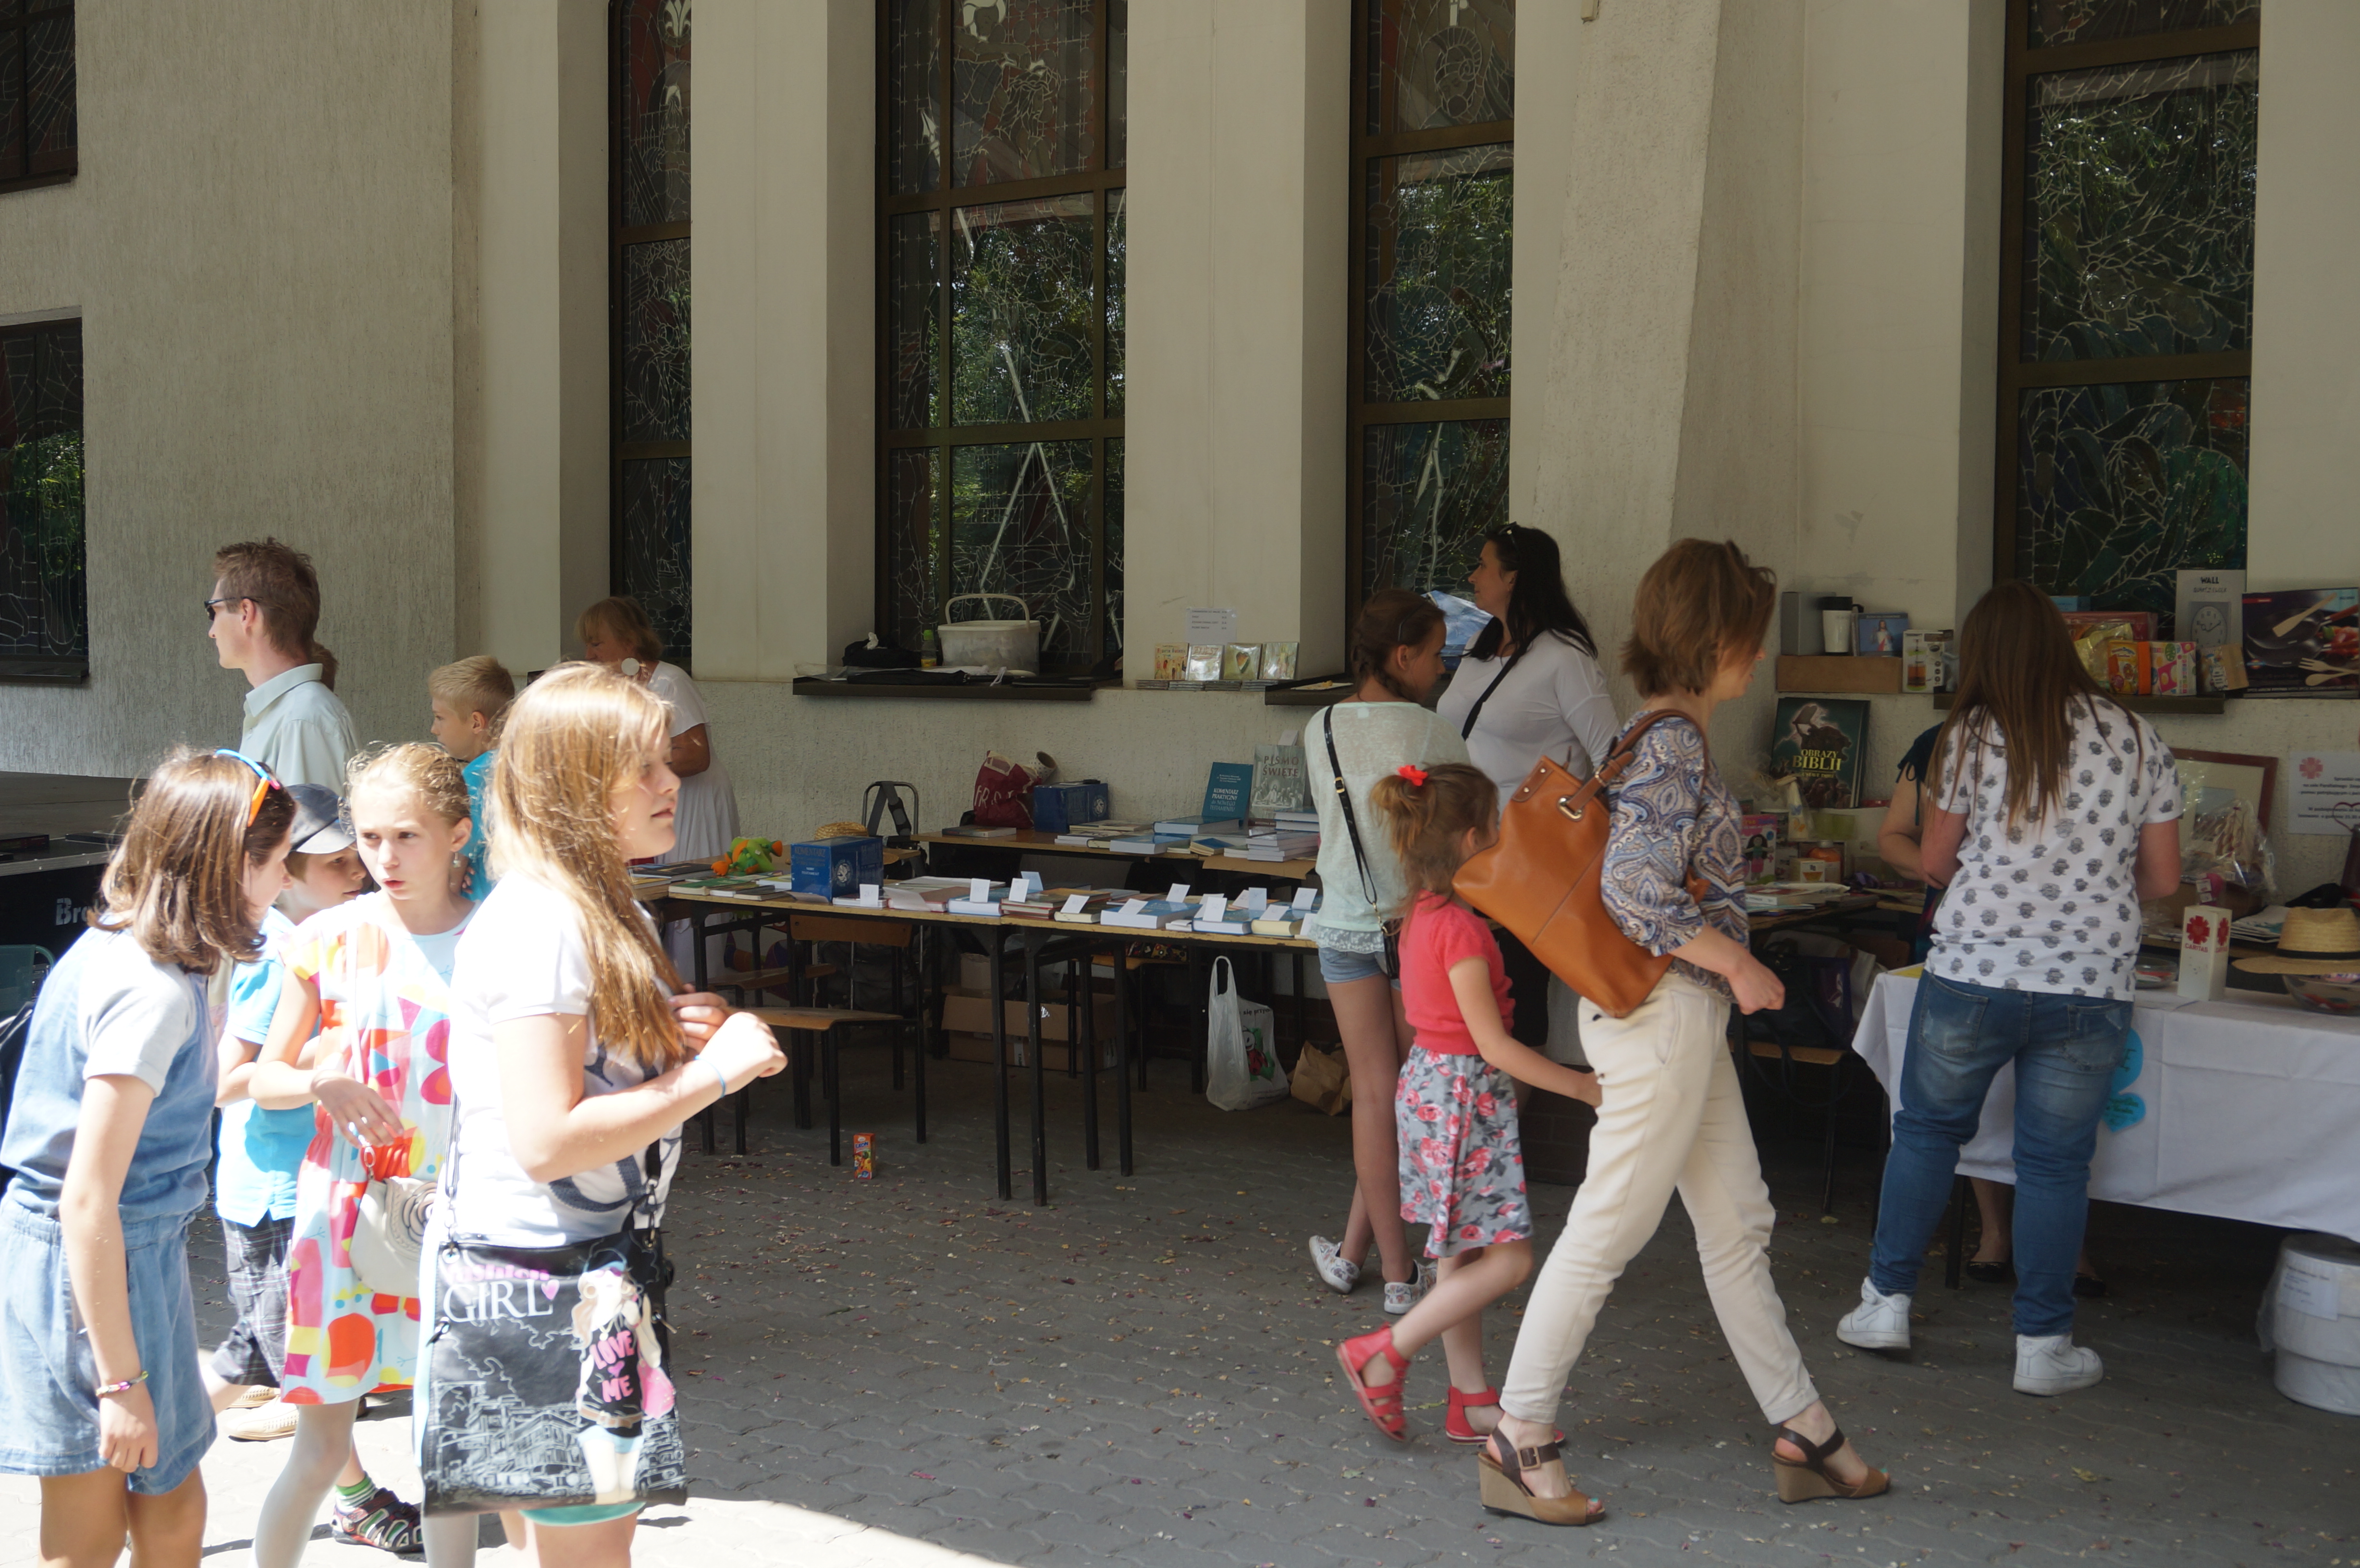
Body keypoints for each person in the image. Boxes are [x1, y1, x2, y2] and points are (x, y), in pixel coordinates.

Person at [1483, 540, 1886, 1526]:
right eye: (1749, 634)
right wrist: (1737, 963)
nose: (1759, 654)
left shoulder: (1646, 733)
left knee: (1735, 1221)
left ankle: (1804, 1427)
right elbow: (1632, 887)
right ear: (1713, 641)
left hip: (1669, 1020)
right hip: (1664, 1017)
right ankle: (1516, 1434)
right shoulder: (1671, 744)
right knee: (1608, 1228)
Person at [430, 662, 783, 1565]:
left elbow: (587, 1064)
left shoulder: (598, 904)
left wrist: (671, 1035)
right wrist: (714, 1077)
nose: (673, 783)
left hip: (580, 1270)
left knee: (563, 1543)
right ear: (579, 788)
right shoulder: (545, 921)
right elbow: (546, 1140)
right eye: (645, 769)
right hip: (542, 1281)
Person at [1838, 581, 2179, 1396]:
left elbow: (1932, 860)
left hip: (1974, 972)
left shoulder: (1968, 735)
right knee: (2056, 1163)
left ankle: (1885, 1305)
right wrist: (2091, 892)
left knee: (1927, 1134)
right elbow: (2163, 878)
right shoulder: (2138, 737)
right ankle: (2042, 1345)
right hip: (2090, 981)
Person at [0, 749, 297, 1568]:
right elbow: (87, 1198)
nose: (286, 881)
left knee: (173, 1505)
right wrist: (120, 1383)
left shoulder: (130, 948)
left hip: (124, 1256)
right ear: (229, 865)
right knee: (92, 1527)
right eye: (278, 861)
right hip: (93, 1267)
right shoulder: (151, 990)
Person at [246, 745, 481, 1563]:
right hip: (343, 1215)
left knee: (451, 1456)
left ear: (458, 833)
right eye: (371, 837)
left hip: (464, 1212)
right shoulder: (328, 937)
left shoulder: (498, 941)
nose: (385, 857)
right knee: (318, 1451)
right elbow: (261, 1076)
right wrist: (320, 1080)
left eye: (407, 835)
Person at [1333, 761, 1602, 1457]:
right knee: (1510, 1262)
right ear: (1473, 839)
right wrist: (1582, 1088)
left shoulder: (1421, 914)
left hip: (1435, 1090)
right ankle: (1384, 1351)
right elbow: (1494, 1044)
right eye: (1498, 828)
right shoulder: (1461, 930)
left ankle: (1471, 1401)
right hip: (1464, 1097)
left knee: (1459, 1252)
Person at [1875, 726, 2107, 1298]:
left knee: (2037, 1125)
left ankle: (2057, 1248)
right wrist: (1949, 874)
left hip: (2048, 945)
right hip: (1963, 931)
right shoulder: (1939, 744)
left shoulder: (2091, 735)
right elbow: (1894, 837)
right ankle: (1996, 1231)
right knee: (1969, 1104)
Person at [1302, 589, 1469, 1313]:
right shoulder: (1434, 733)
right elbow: (1468, 838)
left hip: (1342, 928)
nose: (1442, 668)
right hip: (1418, 934)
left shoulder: (1318, 727)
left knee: (1375, 1095)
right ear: (1402, 657)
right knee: (1409, 1097)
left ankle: (1372, 1263)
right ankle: (1410, 1271)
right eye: (1435, 654)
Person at [201, 784, 359, 1448]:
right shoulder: (278, 958)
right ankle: (167, 1433)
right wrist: (329, 1052)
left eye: (357, 857)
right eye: (336, 862)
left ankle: (158, 1434)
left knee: (268, 1338)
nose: (358, 872)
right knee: (272, 1342)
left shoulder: (309, 940)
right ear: (286, 872)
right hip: (272, 1186)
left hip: (295, 1177)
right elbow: (225, 1082)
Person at [1436, 522, 1619, 1063]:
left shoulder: (1564, 657)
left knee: (1515, 998)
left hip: (1527, 855)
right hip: (1462, 850)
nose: (1473, 575)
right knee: (1463, 994)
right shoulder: (1479, 647)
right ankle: (1471, 1108)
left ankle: (1509, 1115)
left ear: (1513, 578)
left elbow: (1612, 758)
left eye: (1483, 565)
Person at [577, 597, 739, 866]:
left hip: (691, 805)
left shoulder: (670, 682)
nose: (588, 655)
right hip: (656, 807)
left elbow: (695, 756)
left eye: (596, 644)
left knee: (689, 886)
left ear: (629, 643)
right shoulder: (615, 690)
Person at [208, 539, 359, 790]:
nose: (212, 631)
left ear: (246, 613)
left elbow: (307, 818)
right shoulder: (291, 714)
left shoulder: (301, 720)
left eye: (213, 611)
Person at [428, 654, 517, 900]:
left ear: (477, 723)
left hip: (481, 909)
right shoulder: (520, 764)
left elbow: (455, 864)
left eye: (440, 718)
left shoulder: (477, 776)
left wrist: (450, 875)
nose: (434, 729)